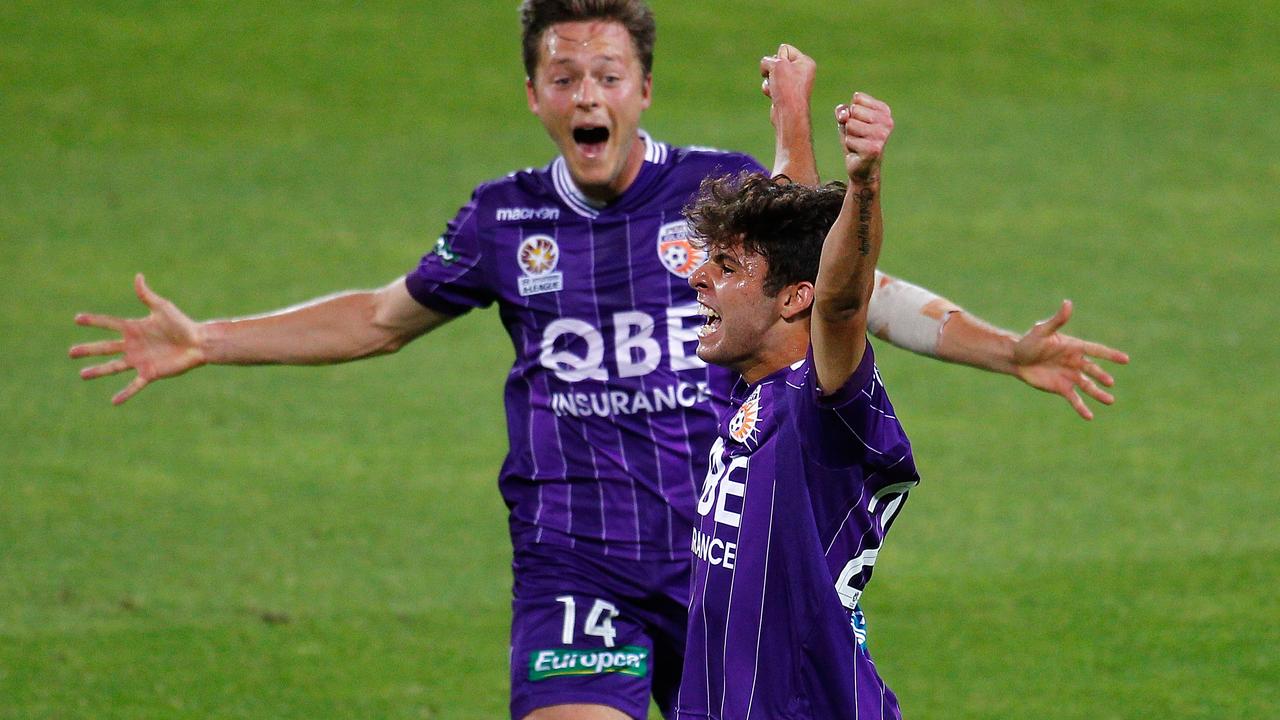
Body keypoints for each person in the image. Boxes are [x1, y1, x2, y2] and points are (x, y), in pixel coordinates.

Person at [69, 2, 1126, 718]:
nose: (587, 93)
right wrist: (207, 337)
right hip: (581, 561)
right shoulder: (500, 219)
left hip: (725, 555)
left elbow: (841, 293)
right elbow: (380, 318)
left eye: (606, 73)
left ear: (642, 88)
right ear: (535, 94)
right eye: (562, 74)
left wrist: (1000, 348)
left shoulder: (720, 209)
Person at [676, 92, 912, 719]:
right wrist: (790, 113)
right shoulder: (748, 386)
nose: (699, 278)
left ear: (791, 300)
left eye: (725, 266)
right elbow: (801, 244)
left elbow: (838, 301)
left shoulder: (823, 408)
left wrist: (864, 184)